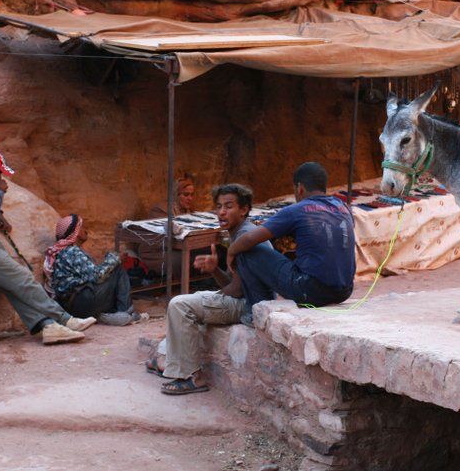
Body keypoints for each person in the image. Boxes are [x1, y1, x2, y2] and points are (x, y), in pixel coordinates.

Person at [0, 148, 96, 345]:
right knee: (22, 277)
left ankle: (49, 327)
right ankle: (66, 319)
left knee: (12, 286)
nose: (0, 178)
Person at [145, 183, 268, 395]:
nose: (221, 212)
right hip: (243, 298)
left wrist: (213, 297)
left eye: (229, 206)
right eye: (219, 206)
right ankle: (166, 359)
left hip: (250, 306)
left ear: (244, 209)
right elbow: (234, 284)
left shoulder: (246, 236)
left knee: (180, 305)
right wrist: (214, 270)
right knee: (191, 300)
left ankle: (191, 376)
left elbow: (237, 291)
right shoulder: (239, 232)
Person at [228, 162, 355, 326]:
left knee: (247, 250)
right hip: (345, 291)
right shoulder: (344, 207)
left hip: (309, 291)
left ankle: (255, 312)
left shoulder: (297, 209)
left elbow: (250, 239)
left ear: (300, 188)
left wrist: (231, 251)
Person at [43, 214, 142, 326]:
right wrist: (115, 259)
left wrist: (110, 261)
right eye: (82, 227)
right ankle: (126, 313)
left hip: (74, 306)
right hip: (82, 302)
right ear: (76, 231)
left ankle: (104, 316)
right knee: (118, 270)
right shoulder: (72, 252)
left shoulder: (65, 252)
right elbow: (96, 277)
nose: (86, 230)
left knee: (111, 270)